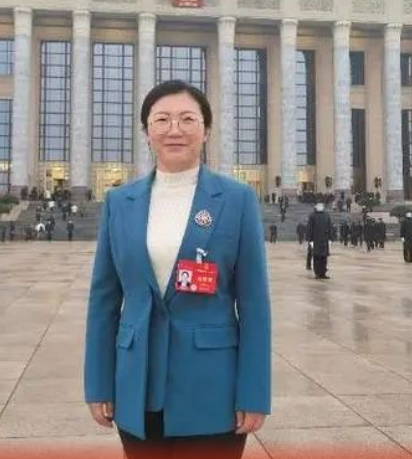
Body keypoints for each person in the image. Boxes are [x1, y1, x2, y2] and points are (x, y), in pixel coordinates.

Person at [84, 80, 271, 459]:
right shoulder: (120, 202)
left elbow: (254, 304)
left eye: (187, 119)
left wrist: (254, 392)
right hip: (137, 386)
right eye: (162, 119)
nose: (174, 129)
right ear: (146, 131)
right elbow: (103, 302)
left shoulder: (236, 200)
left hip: (212, 388)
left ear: (206, 130)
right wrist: (99, 384)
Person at [306, 202, 333, 279]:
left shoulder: (327, 215)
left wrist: (330, 238)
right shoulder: (312, 216)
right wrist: (310, 239)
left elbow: (330, 227)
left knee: (324, 257)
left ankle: (323, 273)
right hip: (316, 239)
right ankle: (317, 273)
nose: (320, 207)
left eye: (321, 206)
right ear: (316, 207)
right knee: (317, 257)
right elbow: (309, 228)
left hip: (324, 239)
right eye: (319, 206)